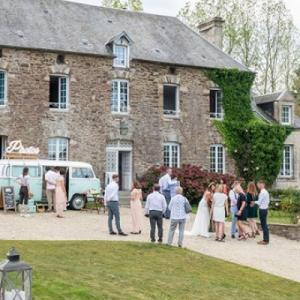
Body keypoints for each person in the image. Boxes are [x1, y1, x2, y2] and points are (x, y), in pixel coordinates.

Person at [255, 180, 270, 245]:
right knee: (264, 225)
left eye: (258, 184)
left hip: (263, 210)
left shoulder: (262, 192)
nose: (257, 186)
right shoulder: (265, 191)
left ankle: (265, 240)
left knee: (264, 225)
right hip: (265, 209)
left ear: (262, 184)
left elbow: (259, 202)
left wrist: (253, 202)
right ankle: (266, 239)